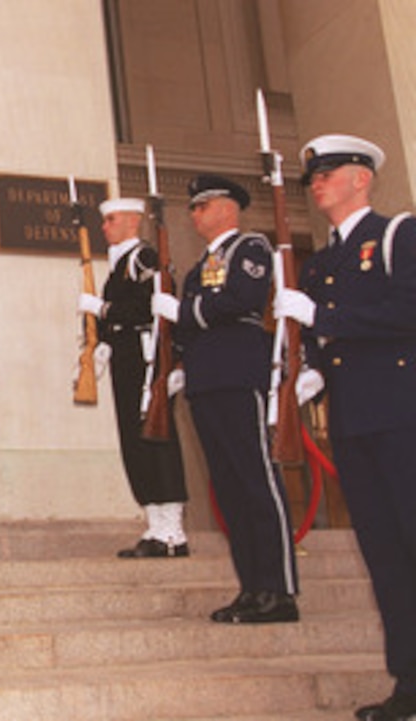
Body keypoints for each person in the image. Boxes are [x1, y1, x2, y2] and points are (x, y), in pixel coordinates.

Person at [273, 134, 416, 721]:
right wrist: (308, 374)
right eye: (313, 177)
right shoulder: (324, 260)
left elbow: (407, 311)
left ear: (362, 177)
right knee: (385, 558)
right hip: (353, 423)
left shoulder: (397, 235)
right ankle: (409, 684)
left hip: (403, 415)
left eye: (329, 173)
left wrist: (324, 318)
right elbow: (328, 345)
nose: (317, 184)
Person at [151, 175, 299, 624]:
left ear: (227, 208)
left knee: (258, 481)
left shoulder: (249, 248)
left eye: (202, 206)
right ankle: (252, 587)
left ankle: (280, 589)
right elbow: (196, 325)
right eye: (193, 207)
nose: (194, 214)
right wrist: (175, 362)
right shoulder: (200, 267)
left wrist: (184, 313)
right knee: (230, 490)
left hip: (238, 376)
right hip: (206, 382)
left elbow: (241, 299)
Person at [77, 197, 189, 558]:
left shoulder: (143, 258)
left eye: (111, 220)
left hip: (146, 357)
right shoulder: (118, 265)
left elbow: (152, 306)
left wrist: (103, 309)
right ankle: (156, 527)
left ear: (132, 221)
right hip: (127, 358)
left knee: (156, 438)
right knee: (134, 440)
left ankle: (173, 530)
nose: (104, 227)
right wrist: (104, 342)